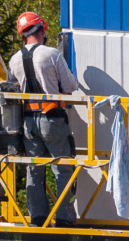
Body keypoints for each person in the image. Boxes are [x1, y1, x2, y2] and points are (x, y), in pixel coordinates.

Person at [8, 11, 78, 227]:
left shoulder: (14, 60)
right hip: (52, 118)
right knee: (63, 168)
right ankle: (64, 217)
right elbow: (71, 86)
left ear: (22, 35)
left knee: (34, 168)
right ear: (41, 29)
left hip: (28, 121)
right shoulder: (52, 54)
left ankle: (38, 217)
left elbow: (12, 88)